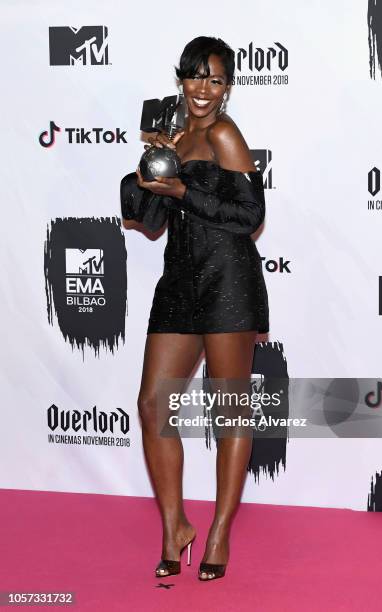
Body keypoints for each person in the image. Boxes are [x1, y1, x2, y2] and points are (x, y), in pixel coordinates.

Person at [120, 36, 269, 581]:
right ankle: (173, 526)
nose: (204, 89)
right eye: (195, 77)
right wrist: (152, 170)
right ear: (180, 79)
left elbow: (250, 214)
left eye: (216, 79)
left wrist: (185, 190)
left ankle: (220, 532)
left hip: (228, 281)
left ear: (227, 87)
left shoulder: (224, 134)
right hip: (178, 283)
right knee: (153, 405)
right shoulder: (174, 135)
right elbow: (149, 221)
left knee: (229, 410)